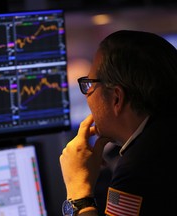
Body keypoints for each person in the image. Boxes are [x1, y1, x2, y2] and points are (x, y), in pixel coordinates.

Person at [59, 30, 177, 216]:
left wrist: (77, 190)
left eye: (89, 85)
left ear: (116, 98)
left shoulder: (139, 168)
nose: (87, 96)